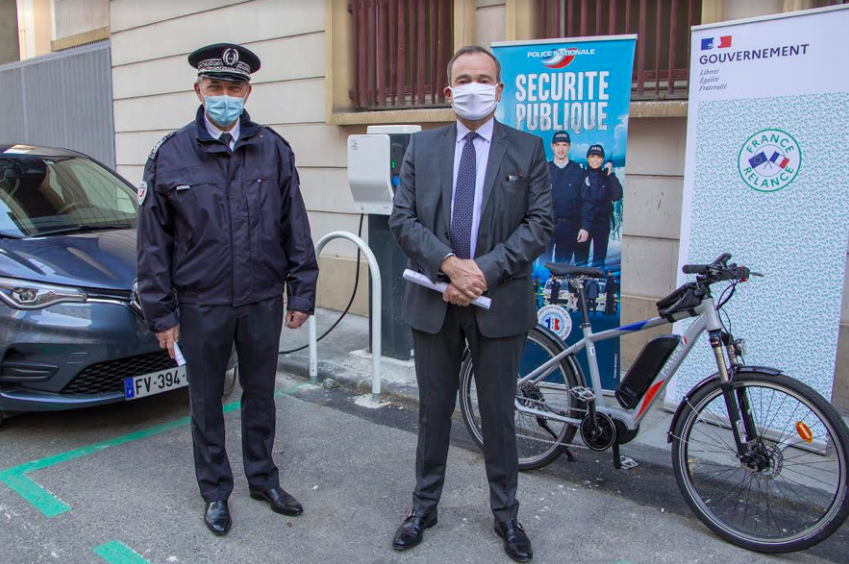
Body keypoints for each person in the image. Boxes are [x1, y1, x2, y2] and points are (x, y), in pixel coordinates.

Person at [136, 43, 319, 537]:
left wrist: (302, 291)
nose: (223, 96)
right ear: (198, 90)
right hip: (201, 304)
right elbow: (153, 243)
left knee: (260, 396)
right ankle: (216, 491)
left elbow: (294, 225)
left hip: (261, 299)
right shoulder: (170, 154)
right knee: (206, 401)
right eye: (214, 87)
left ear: (247, 91)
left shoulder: (274, 148)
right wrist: (162, 313)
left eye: (232, 87)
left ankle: (263, 479)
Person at [389, 45, 552, 562]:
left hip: (498, 302)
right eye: (465, 78)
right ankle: (423, 507)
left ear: (500, 90)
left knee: (499, 414)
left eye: (484, 78)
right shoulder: (422, 148)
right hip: (434, 299)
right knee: (432, 412)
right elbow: (403, 219)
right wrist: (449, 266)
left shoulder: (528, 150)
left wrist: (482, 271)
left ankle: (507, 517)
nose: (474, 86)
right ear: (448, 90)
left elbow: (540, 224)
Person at [578, 144, 623, 269]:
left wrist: (610, 175)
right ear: (588, 158)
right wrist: (583, 225)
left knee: (599, 261)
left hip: (602, 225)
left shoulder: (607, 176)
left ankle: (595, 286)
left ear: (602, 160)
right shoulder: (581, 175)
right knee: (581, 260)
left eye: (598, 157)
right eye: (592, 156)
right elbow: (581, 201)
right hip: (583, 224)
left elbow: (617, 196)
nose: (595, 160)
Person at [547, 131, 587, 265]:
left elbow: (585, 202)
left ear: (569, 147)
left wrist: (585, 226)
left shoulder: (579, 171)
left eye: (564, 145)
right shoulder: (543, 170)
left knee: (562, 267)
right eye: (557, 145)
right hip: (545, 226)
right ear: (552, 146)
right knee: (540, 267)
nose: (561, 149)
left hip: (568, 227)